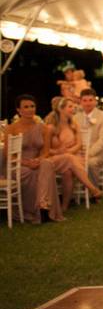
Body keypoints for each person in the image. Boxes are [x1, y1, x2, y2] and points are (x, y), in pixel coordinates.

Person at [2, 95, 65, 223]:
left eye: (32, 106)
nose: (30, 109)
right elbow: (8, 154)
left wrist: (38, 160)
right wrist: (25, 162)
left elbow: (46, 151)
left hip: (37, 161)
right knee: (32, 172)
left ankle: (43, 205)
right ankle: (31, 211)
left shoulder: (43, 128)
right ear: (18, 110)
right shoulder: (11, 128)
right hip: (17, 164)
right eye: (26, 107)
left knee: (47, 164)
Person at [46, 97, 103, 208]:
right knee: (68, 162)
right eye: (70, 107)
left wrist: (68, 151)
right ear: (61, 109)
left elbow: (79, 144)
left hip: (74, 157)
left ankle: (64, 205)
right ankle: (93, 189)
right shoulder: (50, 127)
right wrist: (58, 152)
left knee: (68, 171)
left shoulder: (73, 124)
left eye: (74, 106)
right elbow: (45, 149)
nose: (74, 109)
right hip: (55, 158)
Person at [76, 88, 103, 185]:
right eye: (85, 100)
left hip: (97, 153)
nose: (88, 103)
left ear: (95, 101)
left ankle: (93, 192)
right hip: (79, 152)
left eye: (91, 100)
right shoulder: (75, 117)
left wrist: (89, 153)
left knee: (90, 163)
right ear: (80, 102)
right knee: (69, 162)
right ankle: (73, 195)